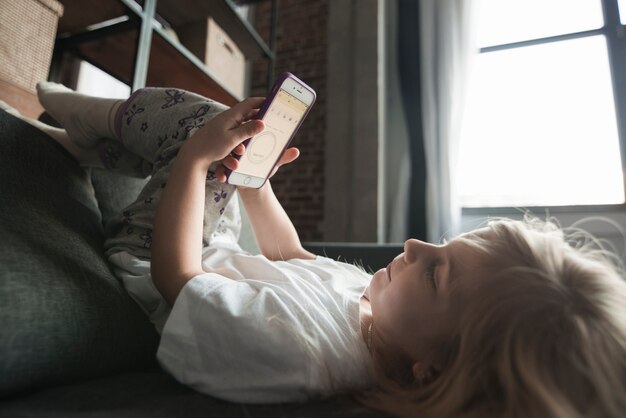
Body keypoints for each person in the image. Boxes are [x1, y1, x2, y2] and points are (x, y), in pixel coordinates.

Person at [29, 81, 626, 418]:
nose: (415, 244)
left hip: (147, 255)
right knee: (234, 148)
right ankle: (92, 145)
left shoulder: (302, 354)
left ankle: (85, 119)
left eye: (437, 274)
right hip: (207, 243)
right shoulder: (371, 307)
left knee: (205, 126)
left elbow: (175, 277)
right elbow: (289, 255)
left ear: (436, 371)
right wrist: (254, 184)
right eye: (440, 245)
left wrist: (197, 159)